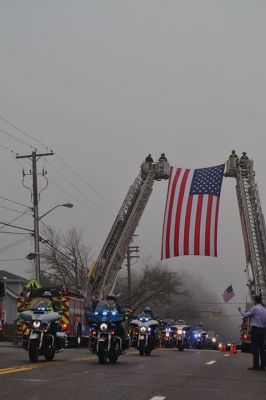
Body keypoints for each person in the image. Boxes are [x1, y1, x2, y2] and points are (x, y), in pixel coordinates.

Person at [238, 295, 266, 371]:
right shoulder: (264, 309)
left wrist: (240, 310)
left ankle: (256, 365)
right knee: (262, 349)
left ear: (256, 301)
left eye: (254, 300)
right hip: (263, 330)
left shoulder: (255, 308)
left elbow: (245, 315)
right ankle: (263, 366)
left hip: (255, 330)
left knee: (255, 348)